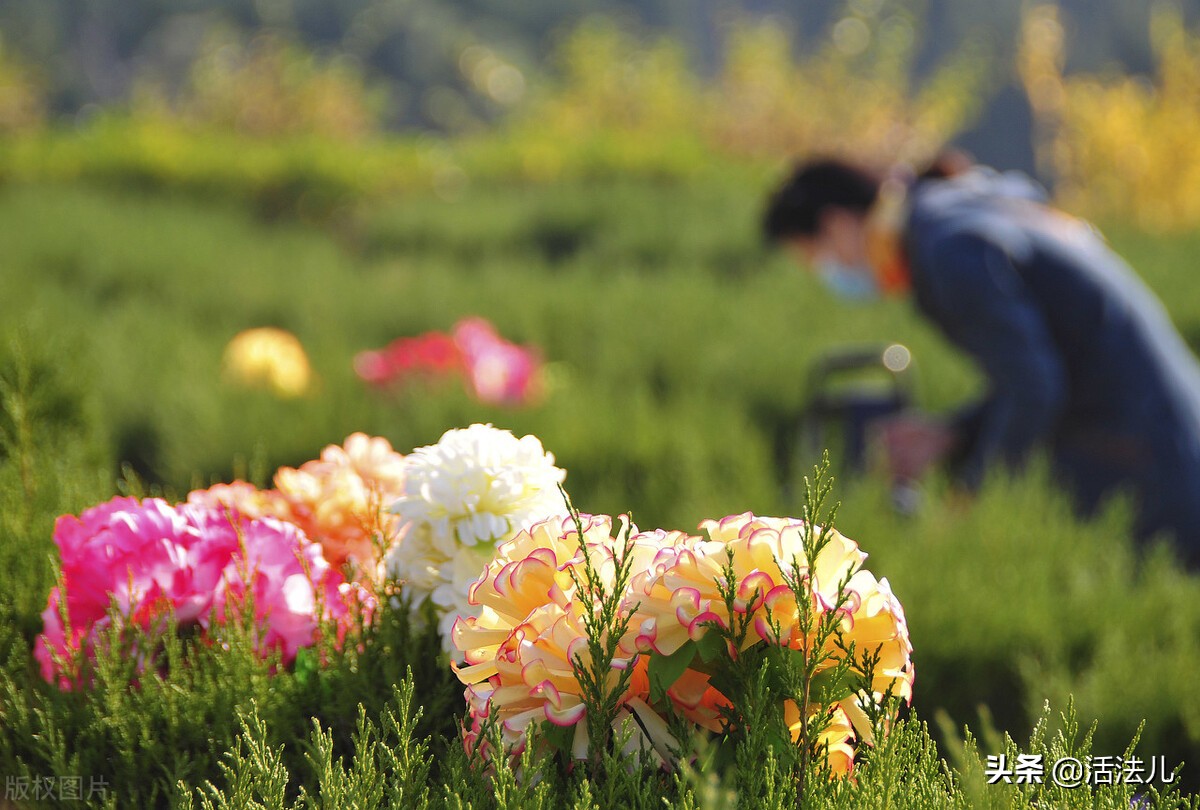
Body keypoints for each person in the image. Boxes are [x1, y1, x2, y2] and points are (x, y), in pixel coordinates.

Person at [763, 156, 1200, 566]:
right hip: (1168, 434)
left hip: (1153, 468)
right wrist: (951, 434)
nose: (826, 272)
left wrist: (966, 503)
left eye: (814, 258)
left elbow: (1035, 390)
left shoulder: (949, 250)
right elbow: (1040, 374)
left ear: (837, 225)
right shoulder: (958, 211)